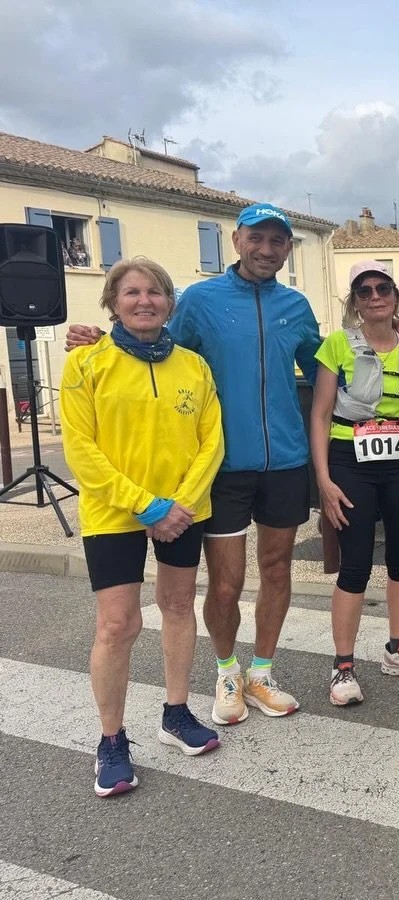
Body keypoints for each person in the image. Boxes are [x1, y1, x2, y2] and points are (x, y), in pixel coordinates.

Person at [67, 202, 322, 725]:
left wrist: (384, 348)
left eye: (278, 241)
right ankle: (227, 672)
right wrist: (98, 338)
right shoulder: (201, 300)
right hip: (222, 469)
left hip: (286, 464)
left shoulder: (297, 306)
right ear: (237, 241)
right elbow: (151, 345)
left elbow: (326, 369)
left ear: (288, 249)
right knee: (225, 584)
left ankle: (262, 672)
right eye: (257, 238)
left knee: (276, 570)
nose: (266, 249)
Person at [61, 258, 225, 797]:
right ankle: (112, 741)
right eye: (131, 292)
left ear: (169, 303)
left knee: (178, 607)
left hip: (183, 512)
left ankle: (176, 714)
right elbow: (81, 451)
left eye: (155, 292)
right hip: (113, 515)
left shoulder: (194, 367)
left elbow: (211, 442)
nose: (144, 301)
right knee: (118, 625)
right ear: (112, 302)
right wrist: (146, 507)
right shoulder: (86, 362)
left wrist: (178, 504)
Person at [311, 261, 399, 705]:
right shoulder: (337, 345)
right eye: (363, 291)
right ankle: (343, 666)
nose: (374, 296)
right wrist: (324, 480)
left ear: (395, 294)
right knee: (355, 564)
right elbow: (321, 414)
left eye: (382, 287)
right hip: (352, 461)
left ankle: (397, 649)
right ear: (355, 301)